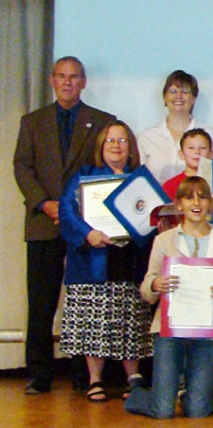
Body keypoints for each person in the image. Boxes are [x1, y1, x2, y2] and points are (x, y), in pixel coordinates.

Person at [13, 56, 114, 394]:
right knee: (41, 302)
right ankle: (39, 374)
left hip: (87, 228)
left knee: (84, 300)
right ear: (51, 80)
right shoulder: (32, 121)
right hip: (44, 223)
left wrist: (73, 211)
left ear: (84, 81)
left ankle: (82, 374)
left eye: (74, 77)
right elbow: (22, 166)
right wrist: (45, 203)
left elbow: (105, 170)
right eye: (61, 76)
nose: (68, 82)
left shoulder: (102, 122)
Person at [124, 177, 213, 419]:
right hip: (170, 329)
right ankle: (138, 395)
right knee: (162, 410)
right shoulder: (164, 240)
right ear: (179, 205)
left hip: (207, 331)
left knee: (197, 411)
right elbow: (146, 286)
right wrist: (156, 284)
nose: (196, 202)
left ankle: (201, 393)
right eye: (189, 197)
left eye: (202, 196)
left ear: (210, 205)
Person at [57, 121, 153, 402]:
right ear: (101, 146)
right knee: (93, 321)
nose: (116, 146)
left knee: (130, 320)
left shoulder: (140, 181)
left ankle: (133, 378)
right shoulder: (85, 175)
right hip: (92, 259)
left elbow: (151, 217)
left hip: (129, 258)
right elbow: (67, 210)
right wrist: (89, 233)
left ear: (131, 148)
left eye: (122, 141)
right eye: (110, 140)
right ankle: (95, 379)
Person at [138, 70, 213, 184]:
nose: (178, 96)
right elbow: (139, 181)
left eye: (185, 92)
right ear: (164, 97)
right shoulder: (147, 138)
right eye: (173, 91)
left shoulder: (209, 135)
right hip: (158, 201)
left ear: (194, 98)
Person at [160, 129, 213, 200]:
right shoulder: (170, 186)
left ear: (211, 154)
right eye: (191, 148)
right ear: (181, 154)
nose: (197, 152)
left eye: (203, 148)